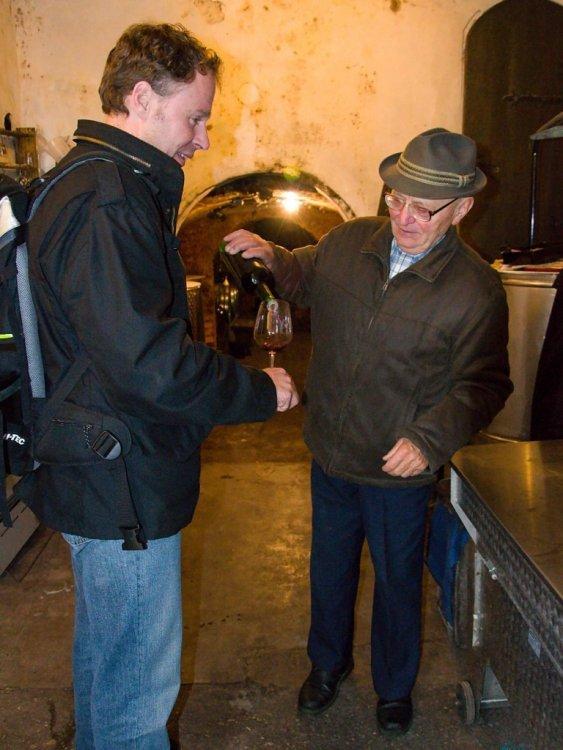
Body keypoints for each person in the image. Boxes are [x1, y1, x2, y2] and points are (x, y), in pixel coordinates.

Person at [20, 23, 298, 750]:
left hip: (103, 467)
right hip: (123, 481)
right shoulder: (106, 200)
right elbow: (147, 362)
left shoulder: (93, 184)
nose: (202, 139)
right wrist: (256, 392)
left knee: (108, 675)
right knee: (133, 705)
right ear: (141, 98)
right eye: (195, 117)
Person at [223, 128, 512, 735]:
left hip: (396, 470)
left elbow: (484, 384)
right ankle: (327, 666)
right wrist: (273, 257)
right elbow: (302, 276)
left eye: (423, 209)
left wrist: (429, 440)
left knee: (397, 584)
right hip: (331, 450)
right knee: (328, 573)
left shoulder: (476, 288)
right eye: (396, 198)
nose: (403, 217)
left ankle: (394, 688)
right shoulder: (350, 241)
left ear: (461, 209)